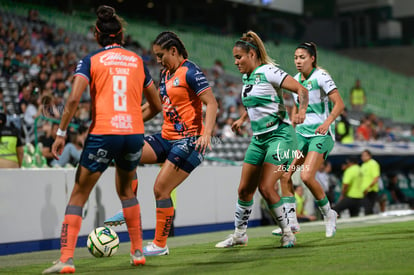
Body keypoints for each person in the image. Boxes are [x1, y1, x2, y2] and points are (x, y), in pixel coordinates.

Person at [42, 5, 161, 274]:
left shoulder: (90, 60)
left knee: (79, 194)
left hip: (103, 133)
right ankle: (138, 251)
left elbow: (73, 99)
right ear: (121, 34)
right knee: (127, 192)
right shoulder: (138, 61)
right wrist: (133, 121)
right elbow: (155, 105)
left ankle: (66, 259)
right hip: (132, 135)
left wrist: (61, 134)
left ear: (97, 34)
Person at [104, 31, 218, 256]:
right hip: (165, 138)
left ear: (173, 51)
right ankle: (129, 207)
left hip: (189, 141)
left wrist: (207, 134)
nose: (157, 60)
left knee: (161, 189)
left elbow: (212, 103)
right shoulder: (165, 74)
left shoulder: (191, 72)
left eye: (160, 55)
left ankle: (160, 245)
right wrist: (129, 121)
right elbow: (153, 107)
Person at [215, 30, 309, 249]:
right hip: (259, 139)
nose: (236, 62)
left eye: (239, 57)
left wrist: (301, 111)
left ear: (252, 55)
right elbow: (259, 102)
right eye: (234, 58)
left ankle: (288, 233)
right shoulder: (247, 77)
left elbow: (301, 90)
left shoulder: (269, 71)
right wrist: (242, 118)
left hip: (280, 135)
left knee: (266, 187)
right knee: (244, 190)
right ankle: (239, 235)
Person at [273, 42, 345, 238]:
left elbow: (339, 104)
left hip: (321, 133)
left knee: (305, 176)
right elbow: (298, 107)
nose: (298, 61)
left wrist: (328, 122)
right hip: (301, 134)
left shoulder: (321, 76)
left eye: (302, 57)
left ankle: (329, 214)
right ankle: (291, 223)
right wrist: (293, 125)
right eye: (296, 57)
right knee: (285, 176)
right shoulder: (295, 80)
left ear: (312, 58)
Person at [361, 149, 381, 215]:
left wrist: (368, 188)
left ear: (369, 156)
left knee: (368, 209)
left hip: (371, 191)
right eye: (362, 156)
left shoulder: (373, 164)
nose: (363, 157)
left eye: (364, 155)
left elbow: (376, 178)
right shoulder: (363, 165)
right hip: (364, 191)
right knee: (367, 209)